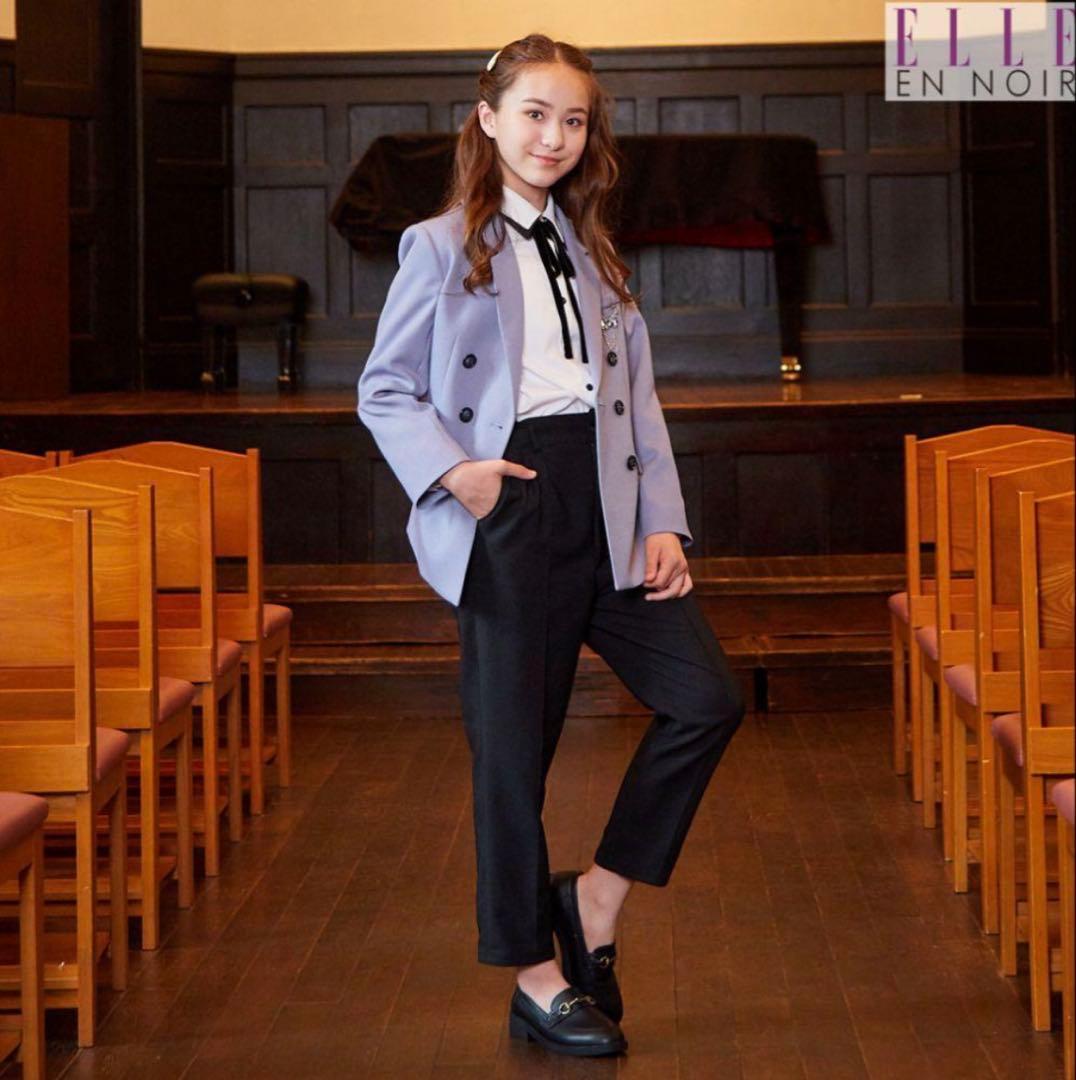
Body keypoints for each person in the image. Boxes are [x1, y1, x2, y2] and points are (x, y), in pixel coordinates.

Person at [357, 33, 744, 1058]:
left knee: (706, 697)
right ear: (488, 118)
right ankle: (535, 977)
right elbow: (384, 389)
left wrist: (662, 518)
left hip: (607, 505)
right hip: (511, 506)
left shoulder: (591, 247)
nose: (554, 136)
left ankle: (596, 899)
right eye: (534, 113)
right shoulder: (439, 245)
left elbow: (638, 402)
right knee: (512, 757)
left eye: (573, 120)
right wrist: (459, 476)